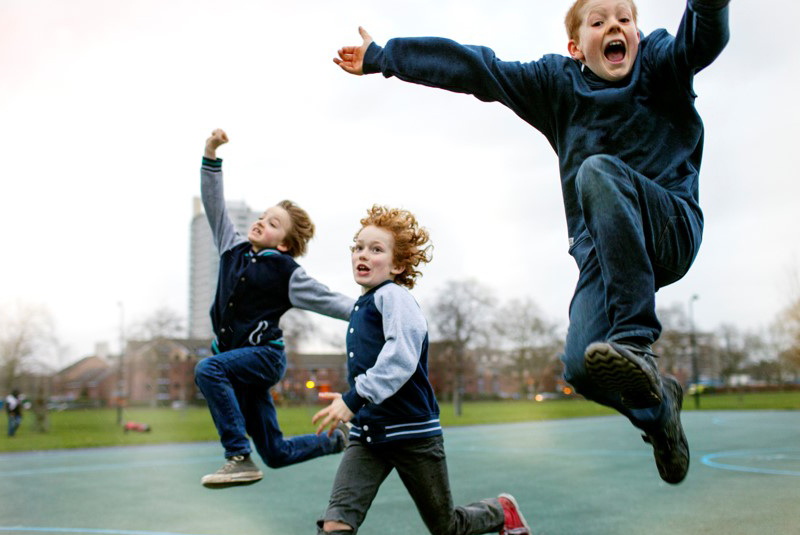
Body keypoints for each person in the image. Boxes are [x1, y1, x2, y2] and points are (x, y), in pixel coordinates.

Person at [332, 0, 731, 485]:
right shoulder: (556, 84)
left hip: (670, 228)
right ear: (576, 47)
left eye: (624, 19)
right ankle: (659, 413)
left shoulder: (659, 61)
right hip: (604, 256)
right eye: (599, 22)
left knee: (597, 172)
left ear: (638, 34)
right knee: (582, 367)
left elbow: (703, 39)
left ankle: (635, 340)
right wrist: (384, 56)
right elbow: (479, 69)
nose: (615, 28)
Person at [312, 205, 531, 535]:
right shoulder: (361, 306)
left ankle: (500, 512)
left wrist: (354, 398)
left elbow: (401, 358)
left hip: (413, 434)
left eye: (376, 249)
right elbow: (340, 321)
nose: (363, 254)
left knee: (446, 527)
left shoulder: (395, 298)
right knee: (336, 523)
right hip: (368, 436)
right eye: (358, 247)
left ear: (398, 264)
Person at [195, 128, 355, 488]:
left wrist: (376, 307)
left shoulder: (286, 273)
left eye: (272, 223)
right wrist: (210, 154)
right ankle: (338, 439)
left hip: (264, 357)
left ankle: (237, 456)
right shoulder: (230, 247)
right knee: (276, 452)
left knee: (208, 370)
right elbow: (214, 205)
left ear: (284, 244)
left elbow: (329, 300)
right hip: (238, 363)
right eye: (263, 216)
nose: (261, 222)